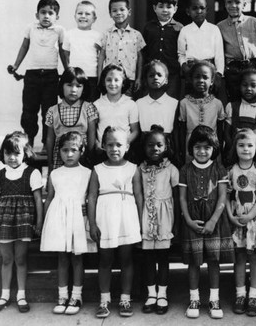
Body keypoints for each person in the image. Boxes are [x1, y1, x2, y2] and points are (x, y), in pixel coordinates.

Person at [0, 131, 43, 313]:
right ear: (2, 154)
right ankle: (4, 295)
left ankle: (21, 296)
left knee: (20, 258)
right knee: (7, 258)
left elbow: (38, 200)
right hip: (4, 222)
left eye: (16, 153)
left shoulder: (32, 173)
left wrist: (39, 222)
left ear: (25, 154)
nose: (11, 157)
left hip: (24, 221)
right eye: (8, 153)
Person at [87, 127, 143, 318]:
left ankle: (125, 299)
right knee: (105, 260)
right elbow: (92, 198)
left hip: (127, 218)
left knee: (127, 259)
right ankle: (104, 299)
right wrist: (93, 224)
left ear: (127, 146)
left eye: (119, 144)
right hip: (105, 220)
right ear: (103, 146)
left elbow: (139, 197)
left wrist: (141, 224)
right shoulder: (97, 170)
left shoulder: (133, 169)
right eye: (109, 144)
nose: (114, 148)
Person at [179, 125, 234, 319]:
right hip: (192, 220)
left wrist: (212, 221)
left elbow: (221, 199)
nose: (202, 151)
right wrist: (188, 220)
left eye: (207, 147)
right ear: (191, 148)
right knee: (194, 262)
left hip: (214, 221)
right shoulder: (185, 170)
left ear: (214, 148)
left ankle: (214, 300)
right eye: (197, 147)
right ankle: (194, 299)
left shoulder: (219, 169)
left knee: (213, 261)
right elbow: (183, 198)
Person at [40, 131, 96, 315]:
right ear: (59, 152)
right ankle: (62, 295)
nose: (69, 154)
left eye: (74, 150)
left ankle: (76, 296)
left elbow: (90, 199)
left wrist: (90, 222)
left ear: (81, 151)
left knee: (77, 258)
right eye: (65, 150)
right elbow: (49, 199)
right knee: (62, 258)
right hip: (59, 219)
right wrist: (43, 223)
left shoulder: (87, 173)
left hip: (79, 219)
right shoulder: (55, 173)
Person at [9, 0, 67, 149]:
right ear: (37, 15)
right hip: (32, 75)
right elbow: (24, 46)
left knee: (49, 112)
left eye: (51, 13)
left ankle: (46, 145)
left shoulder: (60, 30)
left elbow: (62, 51)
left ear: (57, 17)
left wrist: (68, 70)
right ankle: (28, 142)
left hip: (51, 76)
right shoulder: (30, 28)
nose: (46, 16)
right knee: (29, 111)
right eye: (43, 12)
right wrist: (16, 65)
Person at [226, 129, 256, 317]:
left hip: (255, 220)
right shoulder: (230, 171)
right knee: (240, 257)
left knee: (255, 258)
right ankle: (240, 294)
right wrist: (231, 216)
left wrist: (250, 215)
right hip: (237, 220)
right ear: (235, 147)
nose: (245, 149)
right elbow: (226, 197)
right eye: (241, 145)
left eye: (250, 145)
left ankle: (254, 296)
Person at [139, 125, 179, 316]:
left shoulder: (171, 169)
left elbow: (178, 198)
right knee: (148, 258)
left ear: (166, 146)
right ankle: (151, 294)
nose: (154, 148)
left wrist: (177, 223)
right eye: (150, 145)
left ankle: (162, 294)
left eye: (158, 145)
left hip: (165, 217)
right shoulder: (140, 169)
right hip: (146, 217)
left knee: (163, 257)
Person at [217, 0, 256, 102]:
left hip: (252, 66)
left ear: (244, 5)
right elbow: (218, 51)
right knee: (234, 101)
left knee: (252, 100)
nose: (233, 6)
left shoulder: (253, 22)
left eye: (237, 2)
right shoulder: (220, 27)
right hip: (233, 70)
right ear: (225, 4)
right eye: (229, 2)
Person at [45, 67, 98, 173]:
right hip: (61, 156)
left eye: (78, 86)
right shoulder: (53, 110)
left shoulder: (88, 108)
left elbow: (92, 136)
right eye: (69, 85)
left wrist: (91, 159)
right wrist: (50, 163)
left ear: (84, 88)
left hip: (82, 155)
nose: (73, 90)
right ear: (62, 86)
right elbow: (50, 139)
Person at [98, 0, 146, 96]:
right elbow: (101, 56)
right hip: (110, 79)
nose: (118, 13)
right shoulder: (106, 34)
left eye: (122, 9)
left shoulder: (136, 35)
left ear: (129, 11)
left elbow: (140, 57)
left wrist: (138, 78)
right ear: (110, 14)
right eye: (114, 11)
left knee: (126, 105)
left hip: (129, 79)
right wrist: (99, 77)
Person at [179, 61, 225, 164]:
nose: (201, 80)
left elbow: (220, 131)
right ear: (191, 79)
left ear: (212, 80)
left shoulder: (217, 103)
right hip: (191, 146)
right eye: (197, 77)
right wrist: (182, 151)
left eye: (205, 77)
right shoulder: (184, 103)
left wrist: (219, 149)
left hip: (212, 145)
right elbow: (181, 130)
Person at [178, 0, 224, 93]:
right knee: (192, 99)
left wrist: (219, 74)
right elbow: (181, 54)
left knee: (209, 100)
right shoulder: (185, 30)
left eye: (202, 8)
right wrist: (184, 66)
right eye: (194, 8)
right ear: (188, 11)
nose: (199, 11)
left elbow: (219, 54)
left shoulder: (214, 29)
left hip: (209, 69)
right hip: (191, 69)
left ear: (206, 10)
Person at [93, 64, 139, 163]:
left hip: (124, 153)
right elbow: (93, 130)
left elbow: (135, 131)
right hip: (103, 152)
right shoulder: (97, 104)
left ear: (123, 83)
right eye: (109, 80)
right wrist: (97, 144)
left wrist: (123, 143)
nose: (112, 83)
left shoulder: (130, 104)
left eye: (116, 80)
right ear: (104, 82)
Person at [142, 0, 183, 99]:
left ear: (175, 9)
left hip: (172, 74)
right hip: (151, 73)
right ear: (154, 8)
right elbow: (144, 51)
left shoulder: (180, 29)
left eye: (169, 7)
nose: (165, 10)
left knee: (171, 102)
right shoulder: (148, 27)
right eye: (161, 6)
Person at [224, 68, 256, 163]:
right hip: (234, 156)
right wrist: (232, 151)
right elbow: (226, 133)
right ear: (239, 86)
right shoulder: (232, 106)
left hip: (255, 156)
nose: (248, 88)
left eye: (253, 85)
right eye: (244, 85)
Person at [62, 1, 102, 102]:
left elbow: (101, 57)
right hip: (75, 77)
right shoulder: (69, 34)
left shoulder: (98, 36)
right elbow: (66, 55)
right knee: (74, 105)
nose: (83, 16)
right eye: (80, 13)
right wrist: (70, 73)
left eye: (87, 14)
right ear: (74, 16)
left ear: (94, 18)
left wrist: (99, 78)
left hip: (92, 77)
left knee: (91, 106)